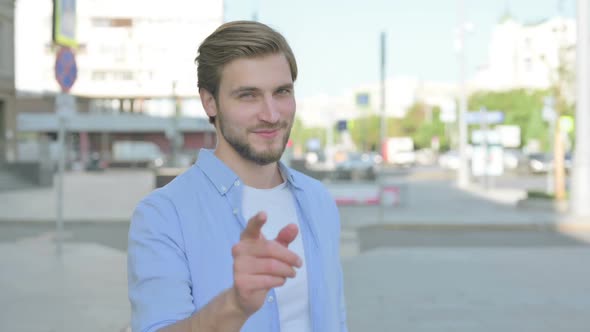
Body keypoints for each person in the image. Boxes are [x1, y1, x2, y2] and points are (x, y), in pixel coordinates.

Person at [127, 20, 348, 332]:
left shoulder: (317, 199)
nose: (272, 114)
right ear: (210, 102)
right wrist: (235, 305)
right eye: (248, 95)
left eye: (282, 92)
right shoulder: (162, 215)